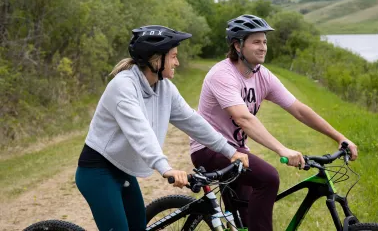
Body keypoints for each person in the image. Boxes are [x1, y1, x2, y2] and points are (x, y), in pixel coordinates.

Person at [190, 14, 358, 231]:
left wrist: (339, 137)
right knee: (269, 178)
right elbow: (243, 118)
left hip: (237, 152)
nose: (263, 47)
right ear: (237, 45)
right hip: (209, 148)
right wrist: (282, 149)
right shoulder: (222, 75)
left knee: (248, 218)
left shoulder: (262, 75)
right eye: (256, 42)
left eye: (265, 42)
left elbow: (299, 109)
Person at [75, 25, 249, 231]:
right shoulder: (122, 87)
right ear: (156, 59)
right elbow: (140, 132)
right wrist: (165, 168)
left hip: (123, 171)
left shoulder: (163, 86)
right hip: (98, 171)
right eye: (173, 56)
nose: (177, 62)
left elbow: (193, 121)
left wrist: (230, 151)